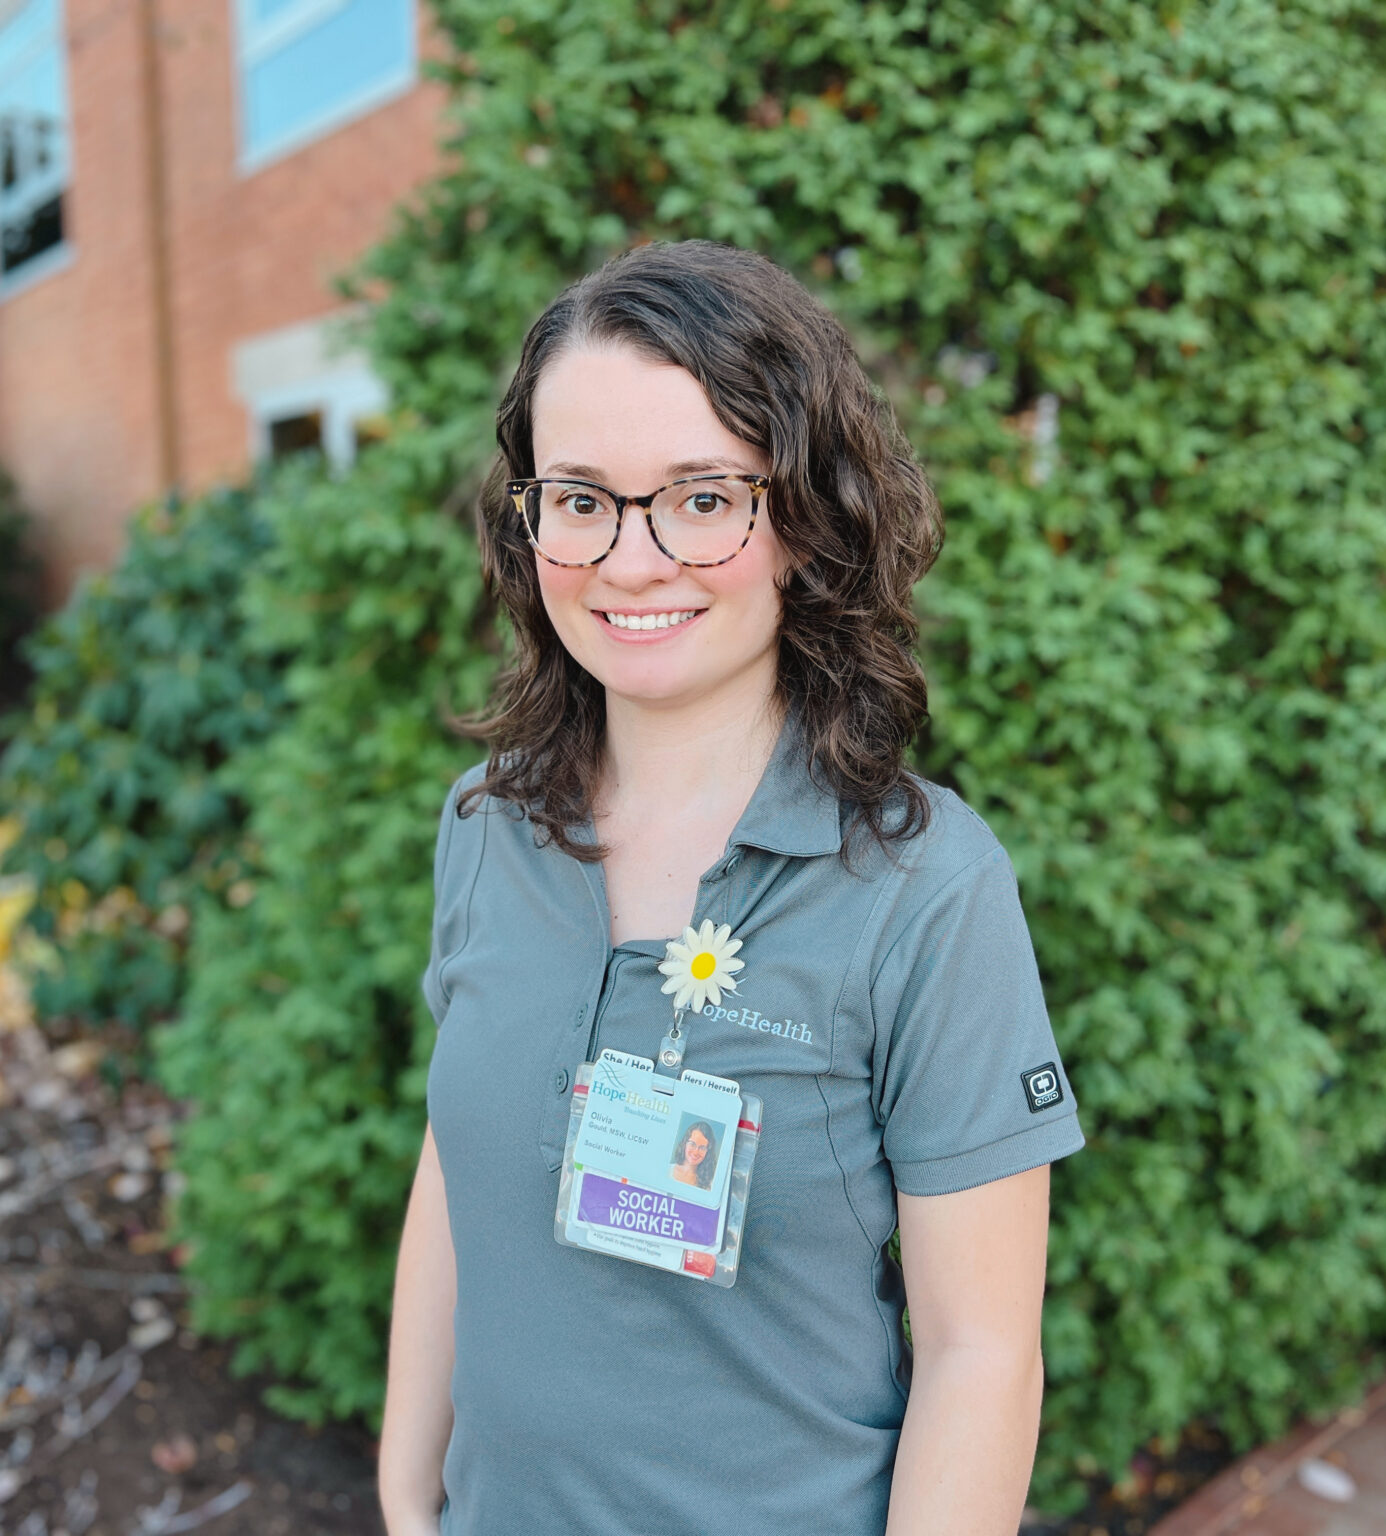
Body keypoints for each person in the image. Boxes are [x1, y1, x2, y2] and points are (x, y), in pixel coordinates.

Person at [379, 241, 1084, 1536]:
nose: (631, 560)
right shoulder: (484, 827)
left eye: (702, 497)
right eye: (580, 498)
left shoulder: (921, 887)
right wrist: (403, 1492)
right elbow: (453, 1161)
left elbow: (983, 1355)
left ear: (805, 520)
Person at [670, 1119, 717, 1190]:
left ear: (708, 1152)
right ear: (684, 1143)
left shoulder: (710, 1184)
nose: (695, 1152)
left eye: (702, 1147)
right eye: (692, 1144)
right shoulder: (667, 1170)